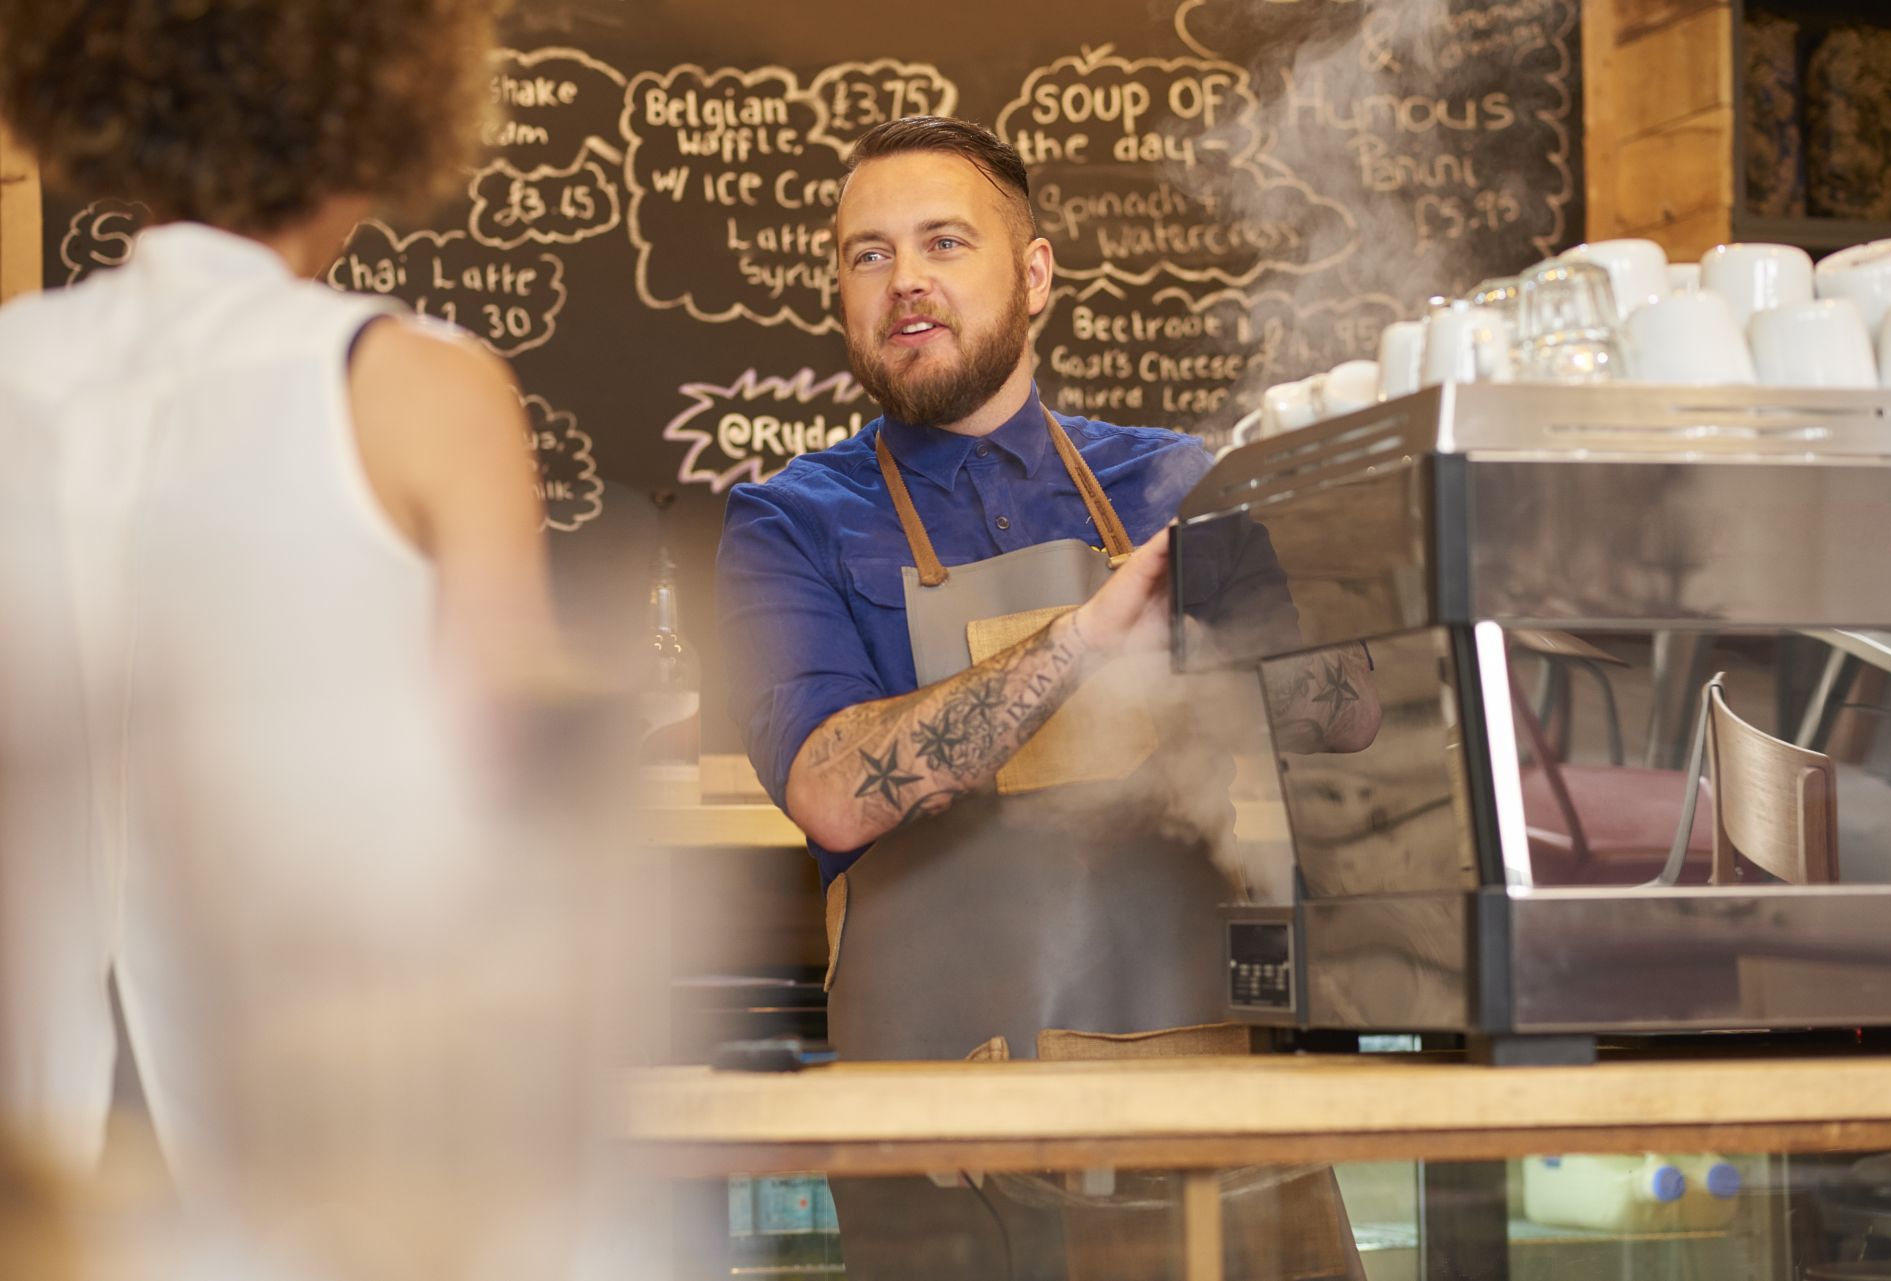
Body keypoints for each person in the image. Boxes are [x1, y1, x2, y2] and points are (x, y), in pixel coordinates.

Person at [717, 116, 1378, 1281]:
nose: (904, 280)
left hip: (1201, 1107)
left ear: (1033, 276)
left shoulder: (1180, 481)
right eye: (867, 254)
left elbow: (1342, 723)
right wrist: (1087, 639)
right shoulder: (788, 520)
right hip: (943, 1145)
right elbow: (830, 788)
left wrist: (1344, 559)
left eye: (943, 242)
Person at [0, 3, 601, 1276]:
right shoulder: (418, 387)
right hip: (318, 1128)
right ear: (377, 102)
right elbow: (524, 787)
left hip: (32, 1143)